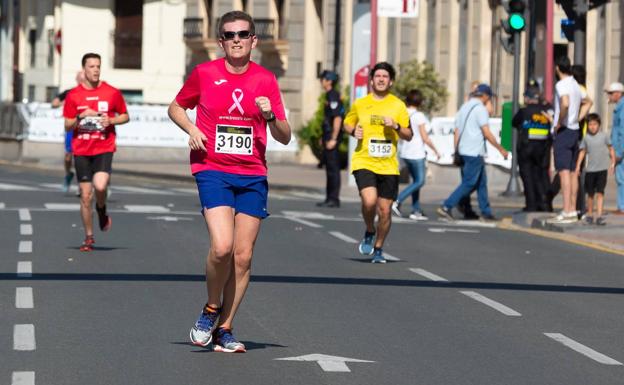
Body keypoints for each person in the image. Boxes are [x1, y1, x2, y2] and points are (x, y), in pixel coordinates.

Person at [168, 11, 291, 353]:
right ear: (220, 41)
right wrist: (191, 129)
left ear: (254, 39)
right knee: (222, 246)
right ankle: (211, 307)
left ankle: (226, 327)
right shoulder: (204, 74)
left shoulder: (266, 79)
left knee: (242, 256)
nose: (236, 39)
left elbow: (284, 135)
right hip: (213, 169)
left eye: (243, 33)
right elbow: (176, 107)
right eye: (229, 34)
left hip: (252, 174)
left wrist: (270, 115)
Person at [343, 62, 412, 263]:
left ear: (390, 81)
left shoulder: (398, 105)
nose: (381, 79)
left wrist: (397, 125)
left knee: (385, 210)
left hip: (388, 165)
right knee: (370, 201)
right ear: (372, 80)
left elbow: (409, 135)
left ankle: (379, 247)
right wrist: (353, 131)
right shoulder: (360, 103)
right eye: (378, 76)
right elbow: (348, 123)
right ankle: (369, 229)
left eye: (385, 76)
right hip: (364, 160)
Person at [63, 53, 129, 251]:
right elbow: (67, 125)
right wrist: (79, 115)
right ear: (84, 69)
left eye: (98, 66)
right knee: (85, 195)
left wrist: (111, 120)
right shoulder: (74, 95)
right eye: (91, 66)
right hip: (82, 149)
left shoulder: (111, 92)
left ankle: (101, 209)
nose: (96, 70)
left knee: (100, 187)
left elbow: (125, 116)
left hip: (103, 146)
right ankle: (89, 237)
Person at [437, 84, 509, 220]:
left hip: (464, 150)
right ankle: (447, 206)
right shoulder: (480, 109)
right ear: (486, 96)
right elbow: (486, 132)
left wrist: (456, 150)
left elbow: (456, 130)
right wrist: (501, 149)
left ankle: (485, 212)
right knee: (469, 182)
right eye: (489, 98)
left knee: (481, 183)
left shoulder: (464, 107)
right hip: (474, 151)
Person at [548, 56, 590, 224]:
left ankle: (566, 210)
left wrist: (559, 122)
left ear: (557, 68)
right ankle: (572, 208)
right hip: (574, 131)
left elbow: (564, 103)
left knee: (564, 172)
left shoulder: (561, 85)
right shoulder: (575, 84)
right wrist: (577, 119)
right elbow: (588, 102)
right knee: (573, 173)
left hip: (564, 131)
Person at [391, 89, 440, 220]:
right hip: (416, 153)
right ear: (419, 101)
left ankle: (416, 210)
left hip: (405, 152)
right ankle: (397, 200)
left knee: (415, 182)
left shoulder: (403, 113)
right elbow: (424, 137)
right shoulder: (419, 116)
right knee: (420, 181)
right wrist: (435, 150)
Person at [512, 85, 552, 211]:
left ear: (528, 98)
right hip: (542, 149)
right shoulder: (546, 110)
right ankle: (545, 203)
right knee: (541, 176)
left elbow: (514, 122)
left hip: (526, 148)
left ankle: (531, 205)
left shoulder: (524, 111)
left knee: (527, 176)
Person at [574, 113, 616, 225]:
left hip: (602, 170)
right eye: (590, 124)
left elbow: (611, 149)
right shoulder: (586, 138)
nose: (592, 126)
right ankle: (590, 215)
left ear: (599, 125)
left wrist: (613, 163)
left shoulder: (604, 136)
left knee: (600, 192)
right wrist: (578, 166)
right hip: (590, 171)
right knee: (590, 194)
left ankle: (599, 216)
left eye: (595, 124)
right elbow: (582, 152)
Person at [52, 70, 86, 193]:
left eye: (84, 79)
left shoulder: (89, 93)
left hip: (85, 128)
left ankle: (81, 185)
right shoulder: (70, 92)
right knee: (68, 157)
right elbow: (54, 103)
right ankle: (68, 174)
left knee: (81, 157)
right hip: (71, 127)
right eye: (80, 79)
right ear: (77, 80)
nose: (82, 82)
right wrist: (62, 103)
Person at [316, 70, 344, 208]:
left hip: (332, 138)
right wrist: (324, 137)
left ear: (329, 81)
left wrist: (333, 138)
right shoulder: (329, 95)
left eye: (323, 79)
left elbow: (337, 118)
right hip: (327, 136)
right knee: (329, 169)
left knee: (333, 169)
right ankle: (329, 197)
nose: (322, 81)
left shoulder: (333, 95)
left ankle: (334, 198)